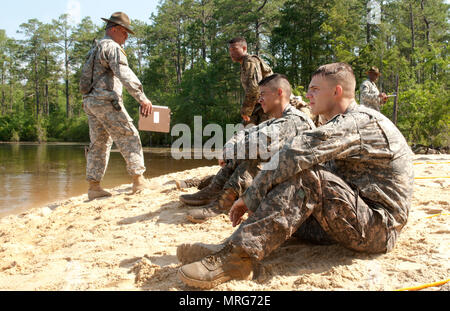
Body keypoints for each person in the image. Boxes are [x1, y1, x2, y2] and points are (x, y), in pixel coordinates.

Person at [177, 63, 414, 289]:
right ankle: (232, 247)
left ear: (336, 91)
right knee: (285, 176)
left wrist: (250, 197)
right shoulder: (334, 122)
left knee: (304, 175)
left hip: (377, 229)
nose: (308, 95)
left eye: (314, 89)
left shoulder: (359, 122)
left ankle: (238, 259)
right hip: (346, 217)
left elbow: (296, 152)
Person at [182, 74, 316, 223]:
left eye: (263, 94)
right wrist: (229, 148)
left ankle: (221, 205)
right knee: (245, 149)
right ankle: (215, 190)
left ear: (279, 93)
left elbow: (257, 144)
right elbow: (245, 132)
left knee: (254, 156)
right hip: (281, 179)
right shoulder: (277, 119)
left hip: (300, 188)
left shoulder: (295, 120)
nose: (259, 100)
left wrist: (230, 152)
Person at [82, 12, 154, 200]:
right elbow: (124, 72)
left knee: (99, 143)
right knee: (129, 136)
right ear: (113, 29)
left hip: (90, 103)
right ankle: (138, 181)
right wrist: (142, 98)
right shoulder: (112, 47)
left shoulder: (95, 47)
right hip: (106, 101)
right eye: (124, 32)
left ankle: (94, 187)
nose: (127, 37)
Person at [228, 37, 273, 126]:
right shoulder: (245, 64)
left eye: (234, 49)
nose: (231, 53)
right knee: (246, 133)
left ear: (244, 48)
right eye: (230, 50)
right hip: (261, 105)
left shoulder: (250, 61)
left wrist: (246, 110)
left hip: (270, 104)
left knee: (263, 136)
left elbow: (254, 88)